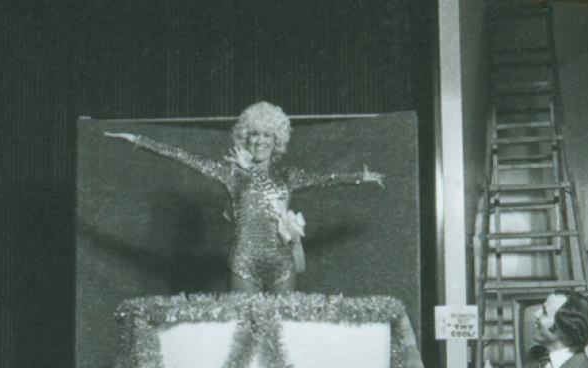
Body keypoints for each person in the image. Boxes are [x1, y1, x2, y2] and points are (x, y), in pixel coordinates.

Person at [104, 101, 384, 293]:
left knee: (284, 331)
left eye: (267, 135)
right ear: (244, 139)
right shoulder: (231, 173)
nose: (260, 141)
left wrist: (360, 177)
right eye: (254, 135)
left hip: (282, 262)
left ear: (277, 141)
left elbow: (327, 179)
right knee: (239, 332)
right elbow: (183, 157)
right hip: (244, 261)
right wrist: (139, 141)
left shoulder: (288, 176)